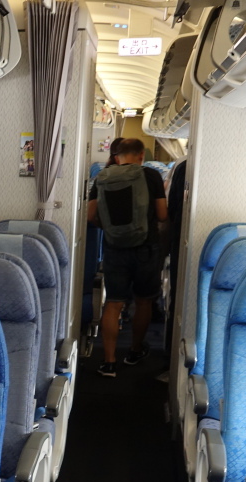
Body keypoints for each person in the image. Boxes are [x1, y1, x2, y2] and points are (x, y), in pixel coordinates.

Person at [88, 137, 168, 377]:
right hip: (146, 248)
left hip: (114, 248)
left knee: (113, 303)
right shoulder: (151, 176)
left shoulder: (102, 177)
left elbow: (91, 216)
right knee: (143, 301)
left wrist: (113, 229)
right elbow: (163, 215)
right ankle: (134, 351)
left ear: (116, 156)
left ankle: (109, 361)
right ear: (141, 155)